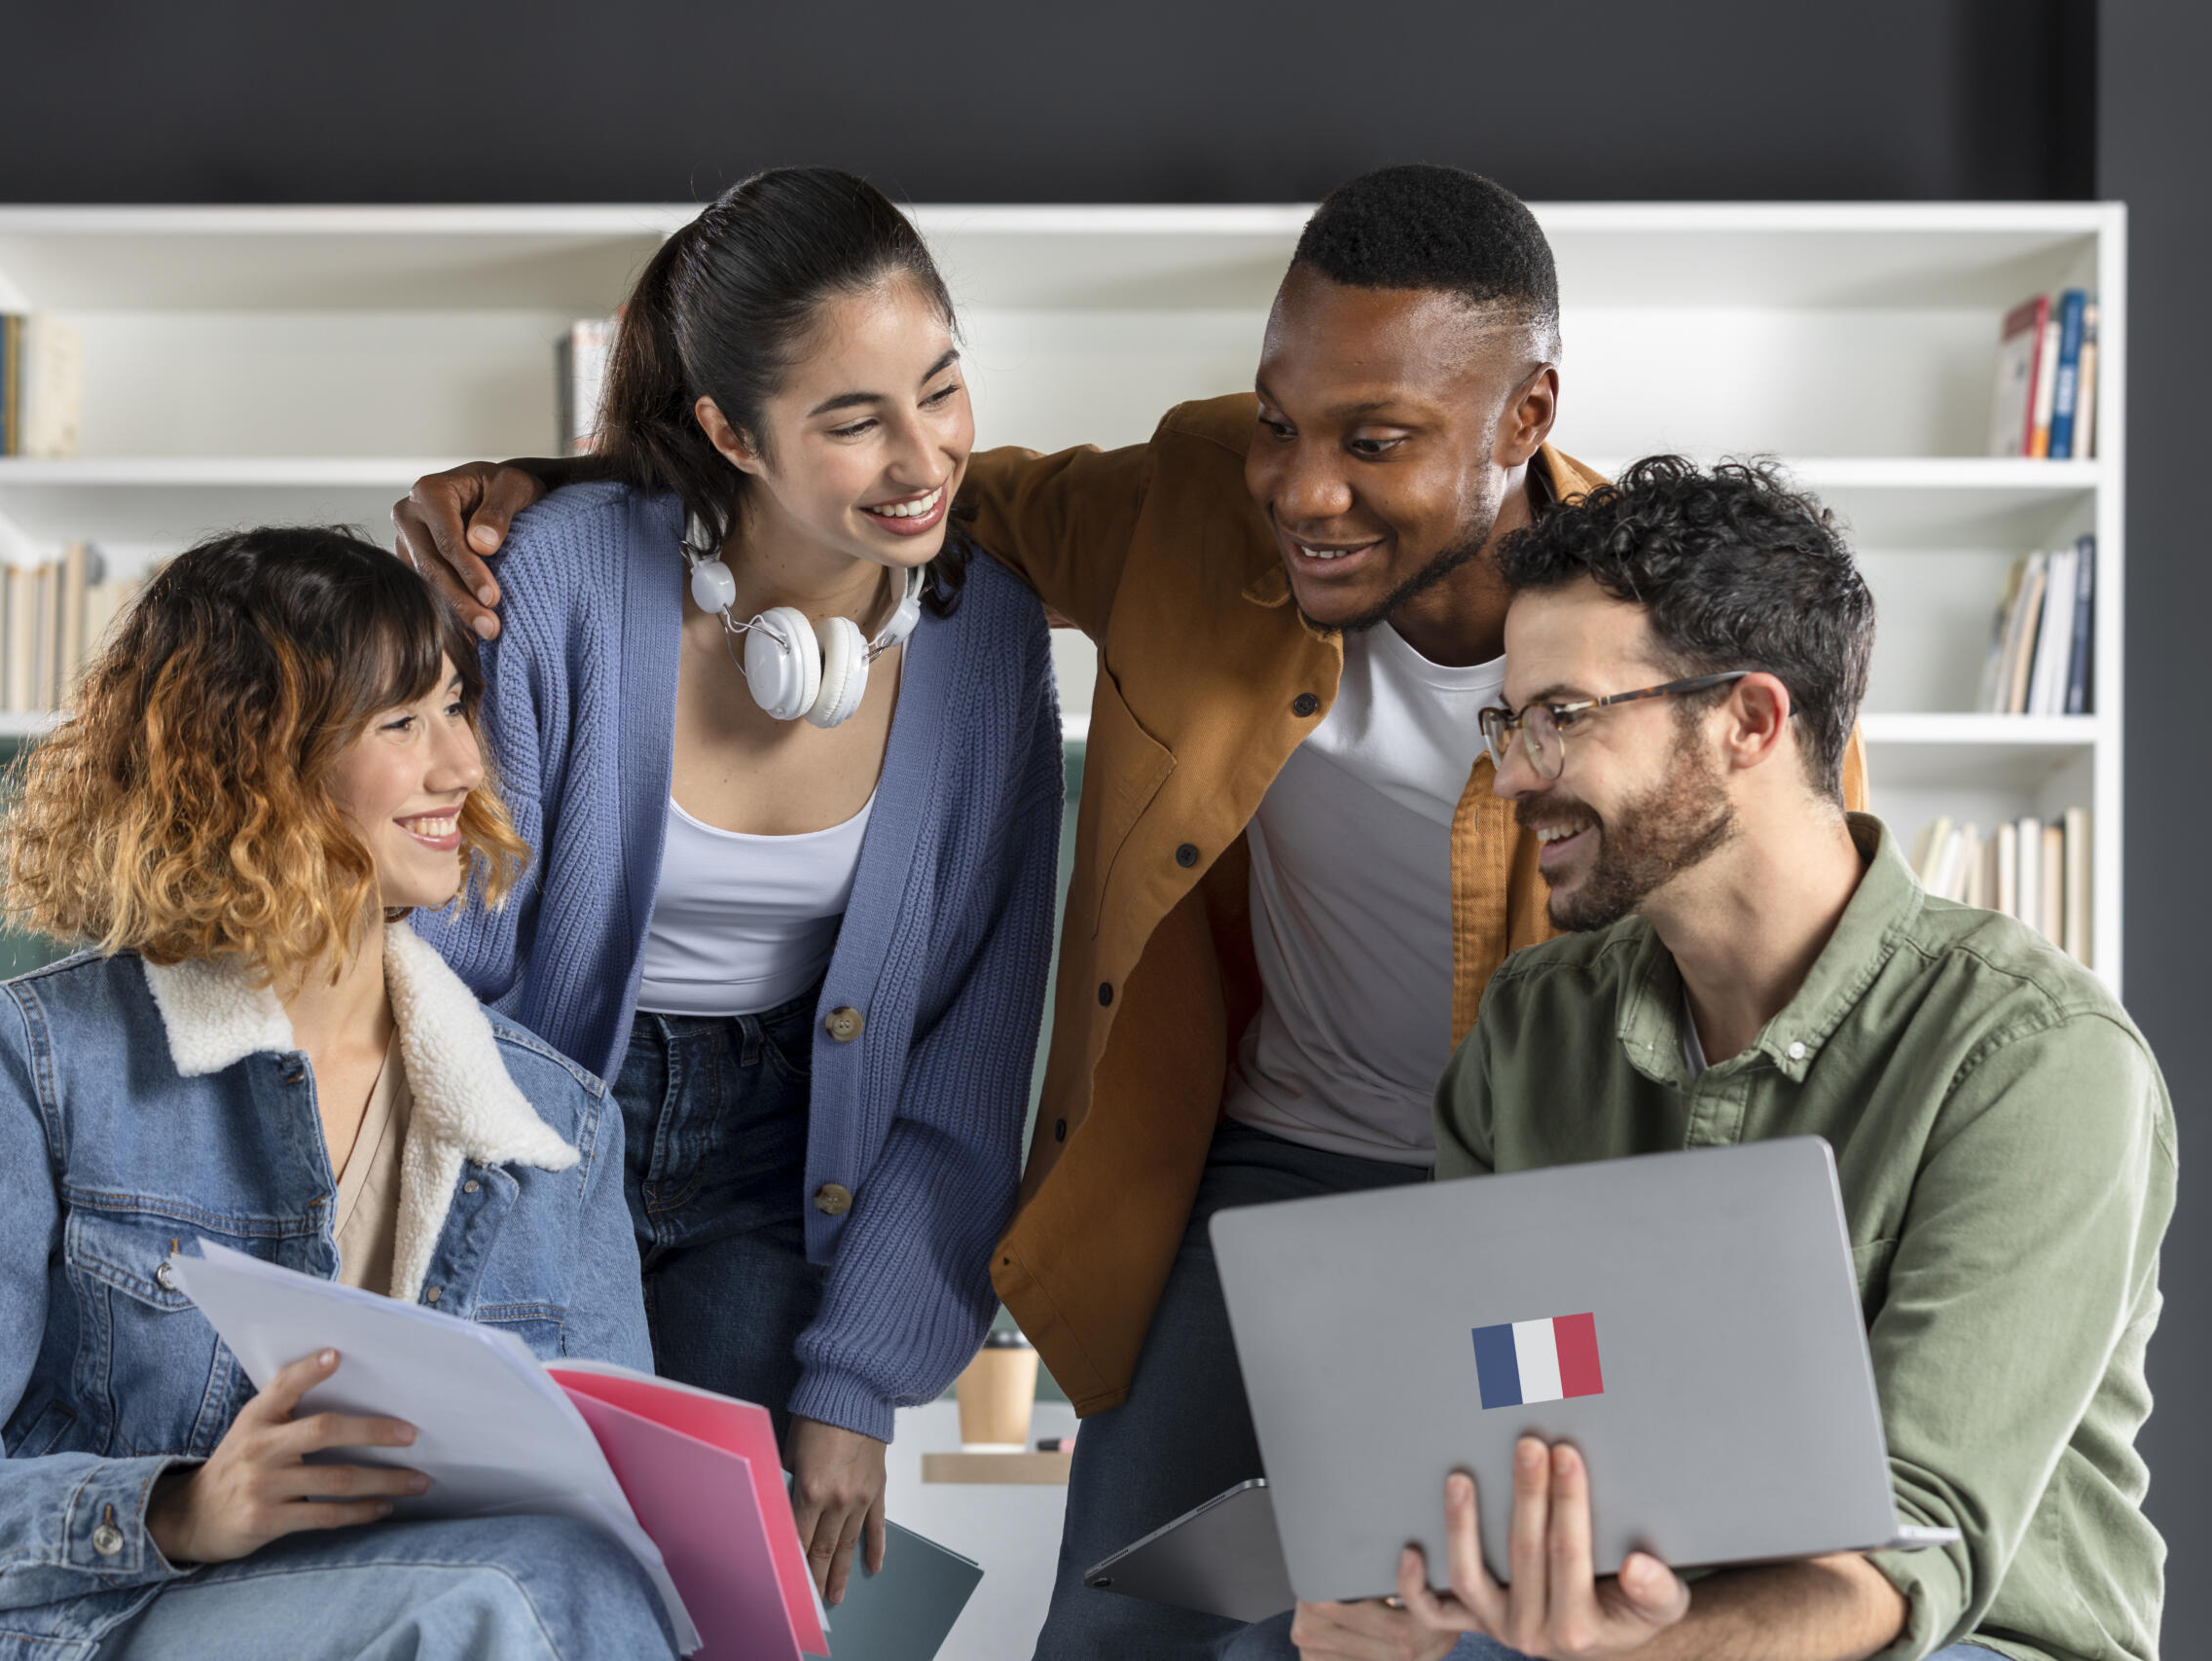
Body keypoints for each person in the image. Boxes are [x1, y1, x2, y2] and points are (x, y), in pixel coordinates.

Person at [392, 165, 1867, 1656]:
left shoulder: (1691, 645)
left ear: (1525, 415)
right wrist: (560, 490)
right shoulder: (1193, 504)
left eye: (1376, 441)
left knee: (1461, 1626)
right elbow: (902, 498)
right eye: (1280, 422)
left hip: (1546, 1198)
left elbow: (1818, 1002)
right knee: (1117, 1624)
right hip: (1264, 1161)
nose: (1304, 491)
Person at [1238, 458, 2169, 1661]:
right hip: (1614, 1613)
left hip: (1956, 1637)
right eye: (1505, 722)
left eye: (1561, 715)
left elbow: (1908, 1552)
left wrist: (1602, 1652)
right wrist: (1400, 1588)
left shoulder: (2034, 1057)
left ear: (1749, 722)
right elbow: (1479, 1425)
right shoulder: (1532, 1029)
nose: (1510, 774)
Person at [0, 529, 675, 1659]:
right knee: (520, 1594)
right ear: (255, 759)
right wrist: (176, 1510)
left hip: (427, 1627)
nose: (462, 767)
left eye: (455, 708)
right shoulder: (38, 1057)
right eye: (401, 724)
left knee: (580, 1580)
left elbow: (618, 1514)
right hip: (106, 1629)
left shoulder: (554, 1123)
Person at [409, 166, 1063, 1605]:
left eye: (941, 390)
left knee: (723, 1601)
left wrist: (857, 1380)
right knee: (514, 1584)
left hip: (786, 1162)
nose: (925, 457)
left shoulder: (989, 641)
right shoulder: (562, 575)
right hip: (532, 1118)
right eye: (854, 420)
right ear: (728, 433)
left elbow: (968, 1052)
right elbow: (441, 948)